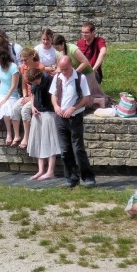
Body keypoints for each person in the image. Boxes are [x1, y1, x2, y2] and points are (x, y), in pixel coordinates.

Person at [49, 55, 96, 188]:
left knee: (78, 149)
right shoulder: (57, 78)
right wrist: (56, 107)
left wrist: (73, 108)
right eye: (61, 69)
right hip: (60, 118)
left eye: (65, 69)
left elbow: (86, 98)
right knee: (65, 150)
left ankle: (88, 177)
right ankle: (71, 177)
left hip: (75, 117)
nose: (63, 72)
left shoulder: (80, 78)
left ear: (71, 66)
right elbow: (53, 95)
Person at [52, 34, 107, 109]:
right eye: (55, 48)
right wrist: (56, 71)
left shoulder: (72, 49)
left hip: (86, 73)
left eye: (57, 47)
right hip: (74, 75)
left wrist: (73, 73)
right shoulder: (58, 52)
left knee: (81, 96)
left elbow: (85, 62)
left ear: (62, 43)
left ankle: (100, 100)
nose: (56, 50)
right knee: (75, 96)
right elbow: (60, 65)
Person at [26, 67, 62, 180]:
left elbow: (56, 96)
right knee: (38, 141)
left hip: (49, 113)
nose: (35, 84)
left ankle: (50, 171)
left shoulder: (50, 80)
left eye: (36, 82)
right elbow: (32, 94)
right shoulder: (33, 83)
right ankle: (41, 170)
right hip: (38, 112)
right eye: (33, 83)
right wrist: (32, 107)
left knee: (51, 142)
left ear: (39, 76)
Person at [11, 48, 45, 150]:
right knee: (14, 109)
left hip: (37, 96)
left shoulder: (40, 67)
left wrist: (30, 98)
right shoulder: (23, 68)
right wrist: (25, 96)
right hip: (27, 96)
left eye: (25, 60)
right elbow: (24, 85)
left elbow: (40, 87)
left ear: (31, 57)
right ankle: (17, 135)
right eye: (22, 60)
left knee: (25, 110)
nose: (23, 62)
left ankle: (26, 137)